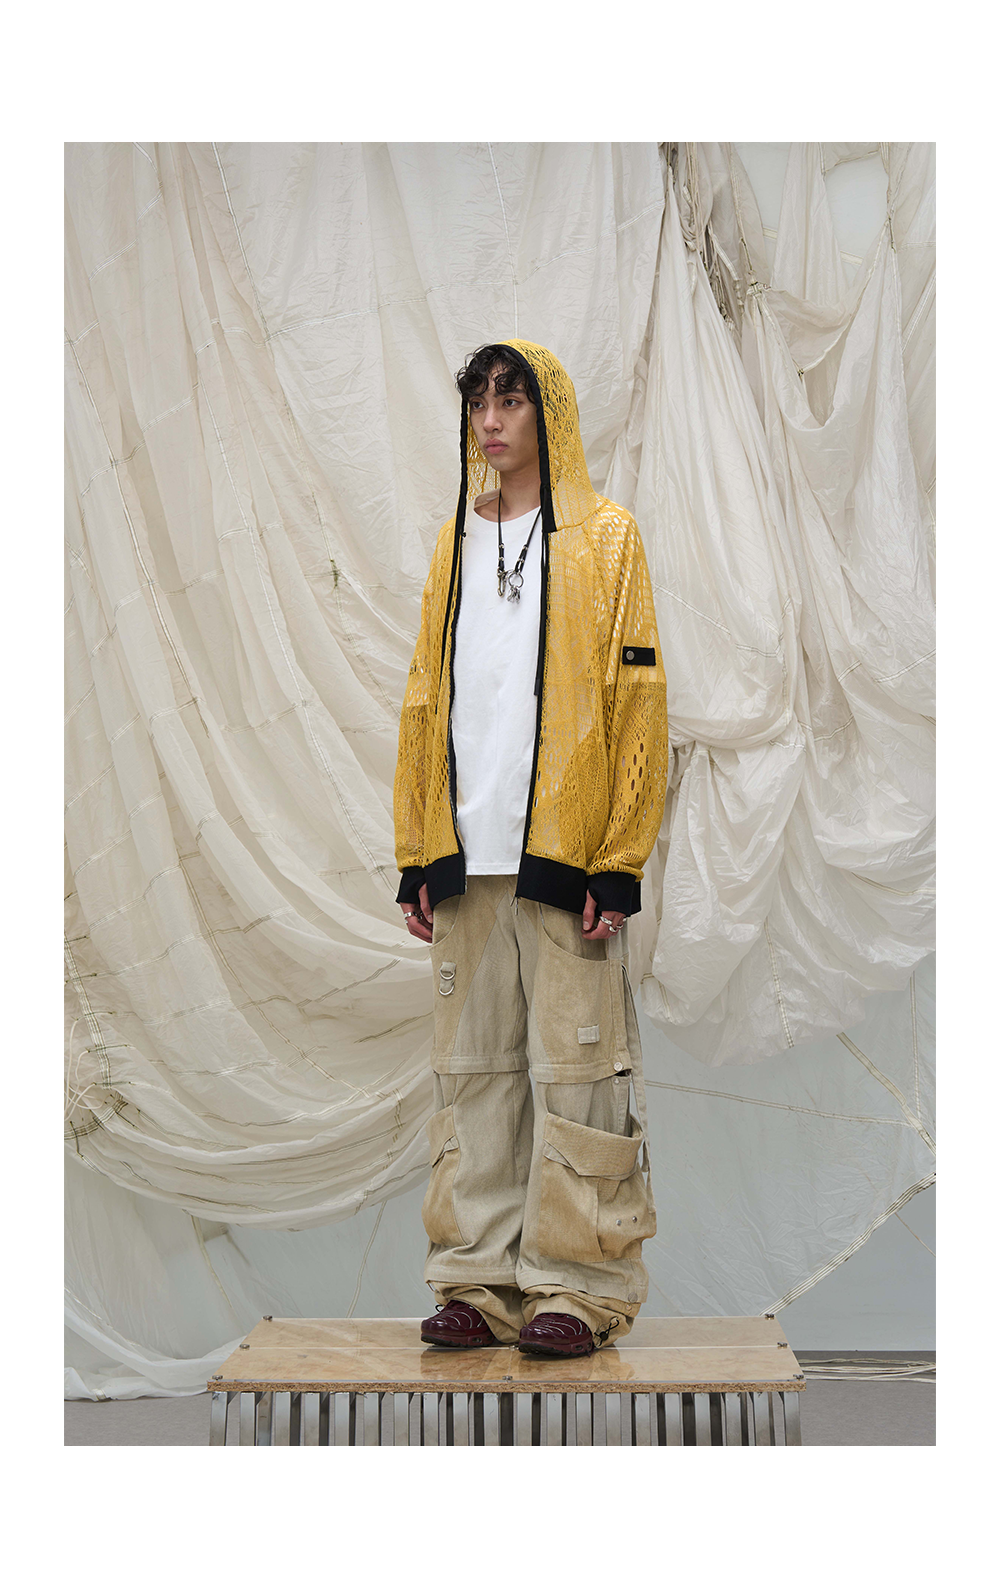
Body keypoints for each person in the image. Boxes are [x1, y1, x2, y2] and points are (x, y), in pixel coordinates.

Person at [393, 339, 669, 1357]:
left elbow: (639, 700)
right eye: (479, 401)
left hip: (565, 856)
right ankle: (476, 1281)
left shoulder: (606, 538)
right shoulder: (454, 542)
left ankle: (577, 1287)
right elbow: (425, 696)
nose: (491, 419)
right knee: (472, 1075)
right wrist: (418, 848)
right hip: (468, 857)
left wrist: (618, 859)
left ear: (549, 413)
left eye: (511, 399)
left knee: (578, 1074)